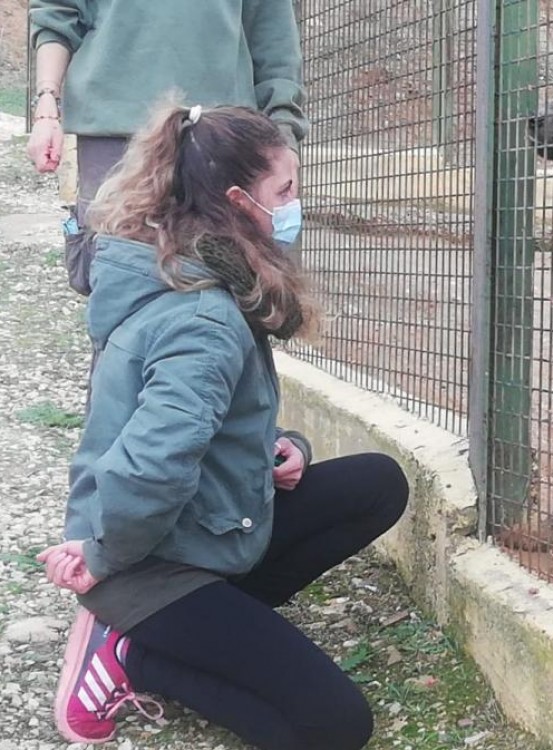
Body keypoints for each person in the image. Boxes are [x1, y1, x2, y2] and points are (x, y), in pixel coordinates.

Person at [35, 102, 409, 750]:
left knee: (378, 482)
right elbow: (152, 463)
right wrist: (101, 559)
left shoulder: (188, 267)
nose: (295, 205)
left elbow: (211, 422)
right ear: (239, 201)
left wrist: (279, 448)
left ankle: (210, 630)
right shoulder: (204, 321)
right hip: (146, 568)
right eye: (284, 191)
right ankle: (134, 654)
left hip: (193, 530)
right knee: (335, 726)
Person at [26, 0, 308, 295]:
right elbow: (57, 12)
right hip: (112, 133)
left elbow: (274, 41)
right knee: (119, 283)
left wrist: (284, 135)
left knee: (225, 287)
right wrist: (47, 104)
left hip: (219, 139)